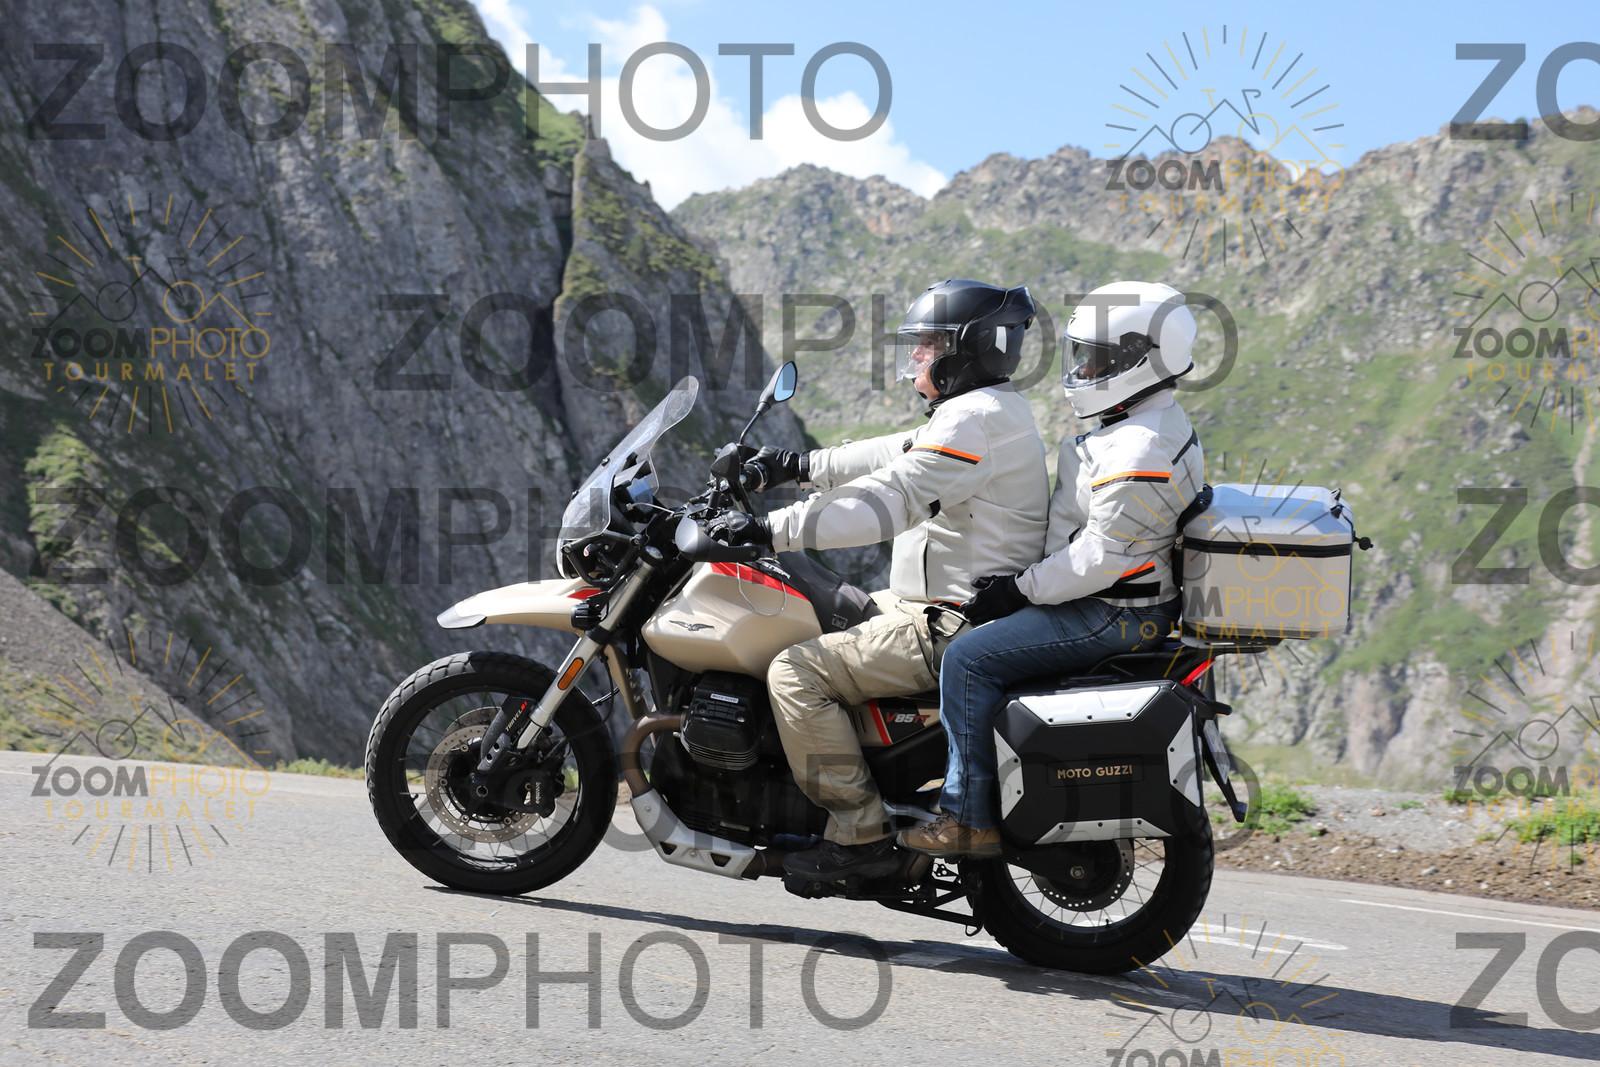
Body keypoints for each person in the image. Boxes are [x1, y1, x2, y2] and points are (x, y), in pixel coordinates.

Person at [709, 278, 1049, 882]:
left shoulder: (973, 422)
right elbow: (896, 452)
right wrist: (797, 466)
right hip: (935, 603)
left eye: (930, 343)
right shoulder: (987, 410)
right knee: (818, 611)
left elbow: (887, 500)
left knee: (794, 671)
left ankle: (858, 835)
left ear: (968, 349)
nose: (916, 354)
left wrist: (767, 530)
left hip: (949, 620)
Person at [899, 280, 1207, 859]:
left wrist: (1018, 590)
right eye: (1082, 355)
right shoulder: (1144, 422)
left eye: (1099, 358)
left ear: (1143, 359)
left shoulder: (1139, 448)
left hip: (1113, 612)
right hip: (1121, 601)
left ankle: (966, 817)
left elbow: (1100, 558)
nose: (1084, 369)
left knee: (967, 660)